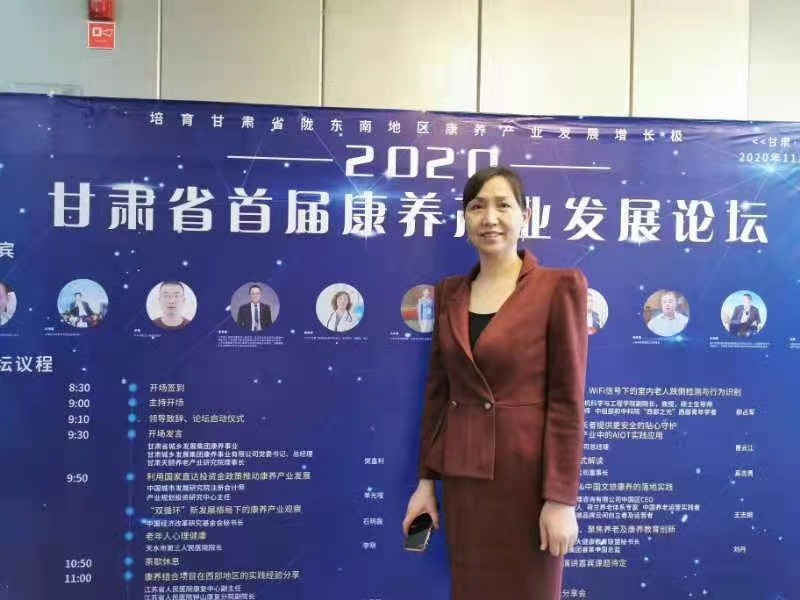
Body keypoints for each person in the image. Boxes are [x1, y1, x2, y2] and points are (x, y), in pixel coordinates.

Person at [402, 166, 588, 600]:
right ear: (465, 219)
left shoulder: (558, 287)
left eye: (503, 205)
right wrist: (426, 483)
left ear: (525, 215)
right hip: (464, 480)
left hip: (529, 483)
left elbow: (567, 402)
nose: (489, 218)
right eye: (476, 206)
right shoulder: (449, 293)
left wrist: (561, 499)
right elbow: (438, 394)